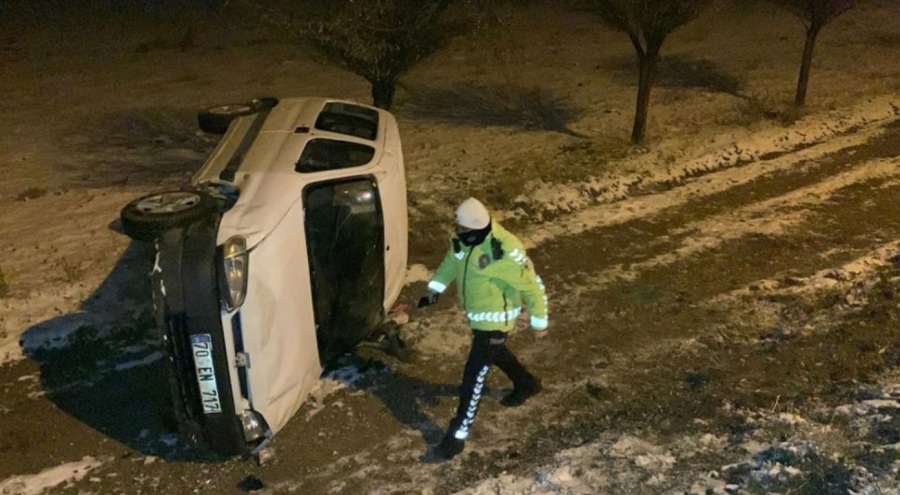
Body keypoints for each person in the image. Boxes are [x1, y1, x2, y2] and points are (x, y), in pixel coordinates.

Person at [418, 197, 549, 460]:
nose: (458, 234)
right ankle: (526, 383)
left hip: (495, 322)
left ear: (477, 230)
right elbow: (450, 265)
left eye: (463, 230)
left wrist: (539, 322)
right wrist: (434, 291)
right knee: (496, 353)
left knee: (473, 377)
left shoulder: (503, 250)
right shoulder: (463, 243)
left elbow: (531, 285)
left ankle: (456, 437)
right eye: (458, 229)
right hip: (479, 320)